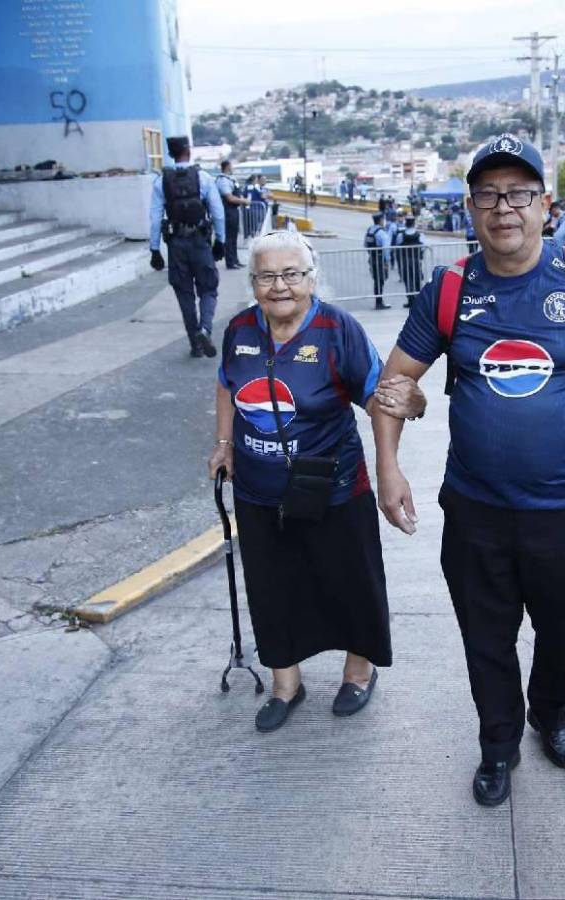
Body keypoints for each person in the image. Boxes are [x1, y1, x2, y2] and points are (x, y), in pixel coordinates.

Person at [372, 135, 565, 808]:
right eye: (488, 194)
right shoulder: (449, 289)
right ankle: (497, 744)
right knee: (487, 639)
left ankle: (551, 719)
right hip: (476, 511)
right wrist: (388, 465)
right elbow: (394, 384)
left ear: (545, 206)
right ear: (471, 208)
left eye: (519, 193)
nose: (504, 208)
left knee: (560, 633)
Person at [209, 230, 427, 732]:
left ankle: (358, 671)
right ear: (253, 283)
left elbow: (377, 396)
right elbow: (225, 384)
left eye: (292, 274)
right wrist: (223, 444)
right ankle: (286, 682)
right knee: (271, 587)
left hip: (333, 485)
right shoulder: (240, 329)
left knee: (350, 582)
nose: (279, 285)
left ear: (311, 278)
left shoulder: (336, 329)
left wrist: (395, 440)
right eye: (266, 276)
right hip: (258, 490)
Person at [149, 136, 226, 359]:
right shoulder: (203, 177)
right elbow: (218, 212)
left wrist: (154, 250)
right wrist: (220, 241)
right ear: (188, 151)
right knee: (208, 288)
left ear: (171, 153)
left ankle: (195, 344)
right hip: (200, 242)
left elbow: (155, 218)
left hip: (176, 245)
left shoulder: (160, 182)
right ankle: (205, 329)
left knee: (184, 294)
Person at [215, 160, 250, 271]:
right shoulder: (223, 180)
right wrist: (243, 201)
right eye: (231, 166)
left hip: (233, 210)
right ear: (227, 167)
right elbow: (229, 198)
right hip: (227, 211)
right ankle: (230, 262)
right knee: (229, 237)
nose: (233, 168)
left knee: (234, 236)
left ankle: (235, 260)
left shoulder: (230, 179)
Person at [394, 216, 426, 308]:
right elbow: (423, 247)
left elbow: (398, 246)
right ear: (414, 223)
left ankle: (410, 300)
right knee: (417, 279)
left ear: (406, 223)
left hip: (405, 260)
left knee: (408, 280)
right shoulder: (420, 235)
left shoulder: (401, 235)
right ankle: (418, 300)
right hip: (416, 260)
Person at [365, 213, 391, 310]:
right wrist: (386, 261)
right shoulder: (381, 233)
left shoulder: (369, 231)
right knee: (380, 280)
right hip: (380, 259)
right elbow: (386, 248)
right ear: (380, 220)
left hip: (372, 258)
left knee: (377, 280)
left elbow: (365, 244)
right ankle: (379, 302)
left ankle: (378, 301)